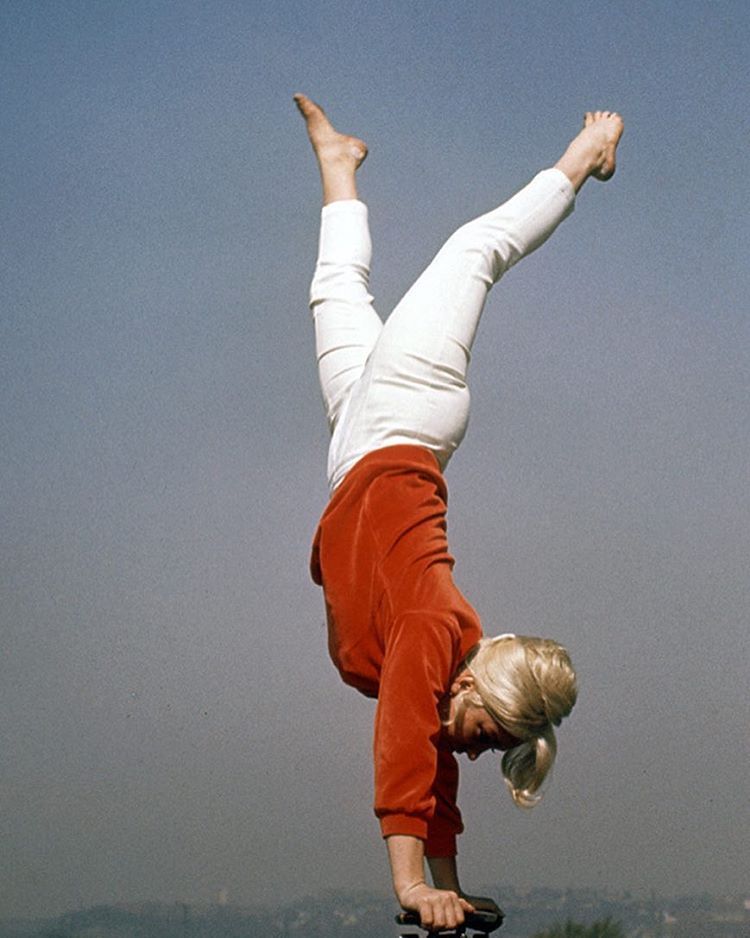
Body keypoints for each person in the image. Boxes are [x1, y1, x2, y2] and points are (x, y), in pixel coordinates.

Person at [296, 93, 623, 932]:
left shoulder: (430, 674)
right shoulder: (436, 631)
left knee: (335, 290)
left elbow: (430, 764)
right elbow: (408, 751)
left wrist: (450, 883)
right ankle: (583, 158)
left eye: (486, 748)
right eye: (486, 733)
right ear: (474, 678)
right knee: (474, 250)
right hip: (409, 413)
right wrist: (410, 886)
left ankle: (339, 164)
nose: (473, 748)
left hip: (351, 456)